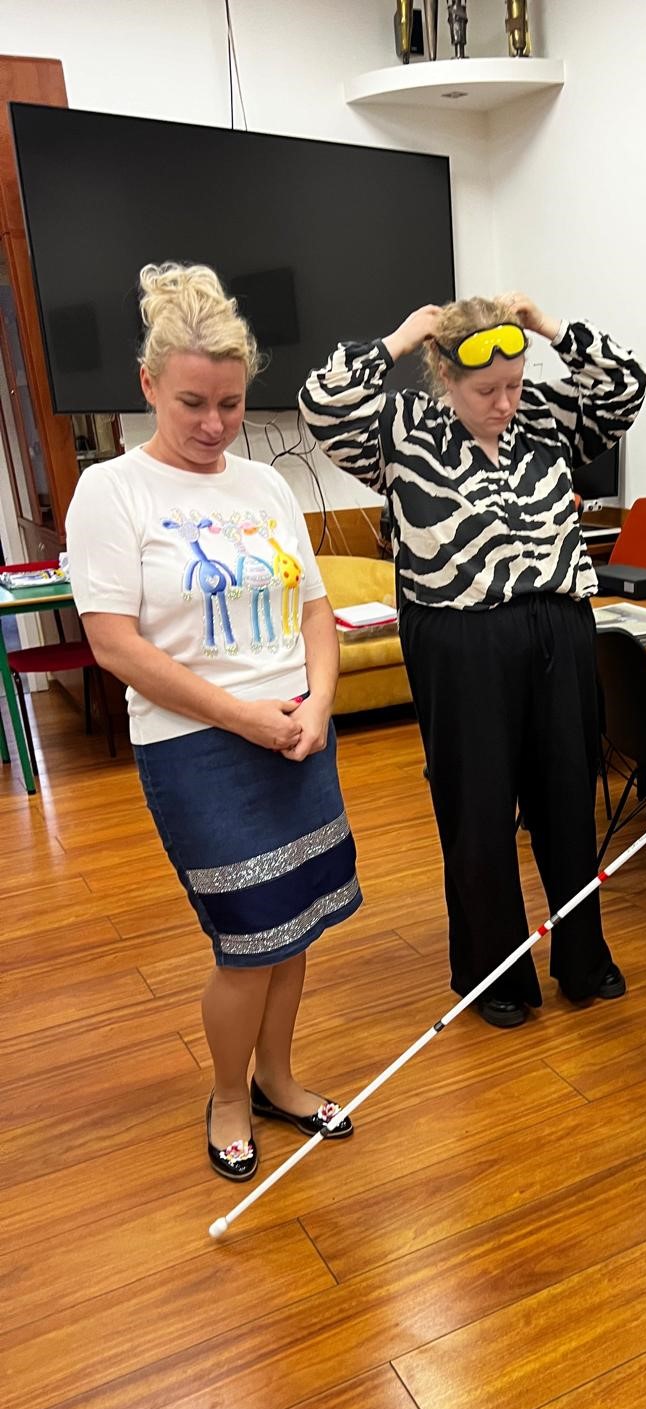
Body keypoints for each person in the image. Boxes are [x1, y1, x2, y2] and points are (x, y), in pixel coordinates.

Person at [66, 263, 362, 1181]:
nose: (213, 425)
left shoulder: (266, 487)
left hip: (296, 734)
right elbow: (115, 645)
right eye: (192, 401)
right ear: (149, 383)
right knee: (247, 942)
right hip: (200, 749)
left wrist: (319, 701)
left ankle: (278, 1076)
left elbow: (315, 608)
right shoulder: (111, 493)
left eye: (231, 404)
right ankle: (229, 1093)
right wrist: (246, 718)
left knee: (298, 926)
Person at [300, 295, 646, 1029]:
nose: (505, 402)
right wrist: (400, 335)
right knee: (477, 809)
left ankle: (583, 960)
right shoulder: (399, 431)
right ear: (445, 377)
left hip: (558, 622)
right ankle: (493, 973)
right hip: (459, 637)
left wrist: (550, 328)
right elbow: (323, 402)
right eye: (487, 390)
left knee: (566, 801)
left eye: (516, 384)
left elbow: (624, 385)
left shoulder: (544, 420)